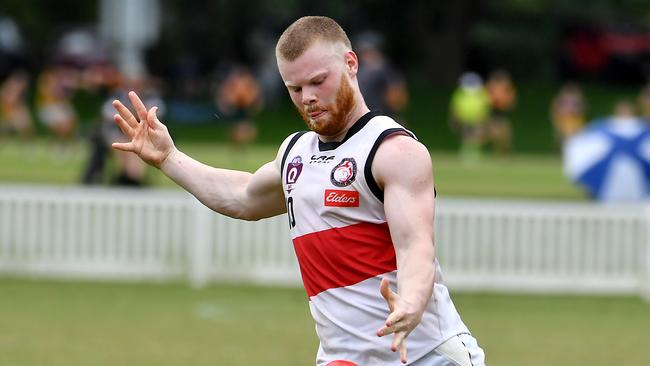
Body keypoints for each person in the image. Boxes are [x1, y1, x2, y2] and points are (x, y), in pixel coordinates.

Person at [111, 16, 484, 366]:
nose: (307, 97)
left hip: (425, 355)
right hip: (344, 359)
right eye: (295, 88)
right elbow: (243, 197)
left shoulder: (393, 150)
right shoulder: (295, 153)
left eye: (317, 81)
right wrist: (170, 159)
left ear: (351, 64)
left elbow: (416, 245)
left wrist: (414, 302)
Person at [355, 31, 408, 124]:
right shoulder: (358, 71)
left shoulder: (387, 71)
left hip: (383, 120)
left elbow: (398, 101)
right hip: (364, 121)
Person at [449, 72, 491, 163]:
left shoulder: (482, 93)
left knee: (476, 137)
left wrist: (483, 117)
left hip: (477, 119)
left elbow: (486, 105)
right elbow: (456, 105)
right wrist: (457, 116)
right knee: (467, 137)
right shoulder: (460, 93)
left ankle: (475, 154)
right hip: (465, 119)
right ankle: (466, 154)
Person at [485, 69, 516, 154]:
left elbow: (511, 103)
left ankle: (504, 152)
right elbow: (487, 100)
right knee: (495, 133)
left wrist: (507, 103)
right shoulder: (491, 87)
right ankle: (498, 151)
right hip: (493, 113)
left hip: (502, 114)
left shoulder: (508, 88)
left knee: (506, 134)